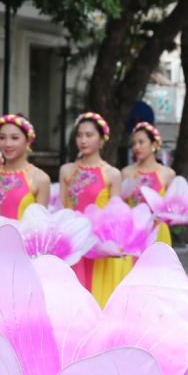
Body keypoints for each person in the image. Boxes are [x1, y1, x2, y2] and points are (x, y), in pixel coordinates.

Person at [58, 111, 126, 305]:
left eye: (89, 135)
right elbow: (63, 209)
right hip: (74, 243)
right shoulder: (67, 170)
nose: (83, 140)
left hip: (100, 246)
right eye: (79, 135)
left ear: (102, 139)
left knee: (98, 300)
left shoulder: (111, 174)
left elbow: (116, 214)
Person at [0, 114, 51, 216]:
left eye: (14, 138)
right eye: (2, 138)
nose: (7, 144)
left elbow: (42, 226)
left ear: (28, 141)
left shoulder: (40, 179)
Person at [121, 122, 175, 246]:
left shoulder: (167, 174)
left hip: (158, 232)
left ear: (154, 144)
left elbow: (171, 211)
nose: (136, 147)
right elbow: (122, 208)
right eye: (134, 143)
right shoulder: (127, 173)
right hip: (133, 233)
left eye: (141, 142)